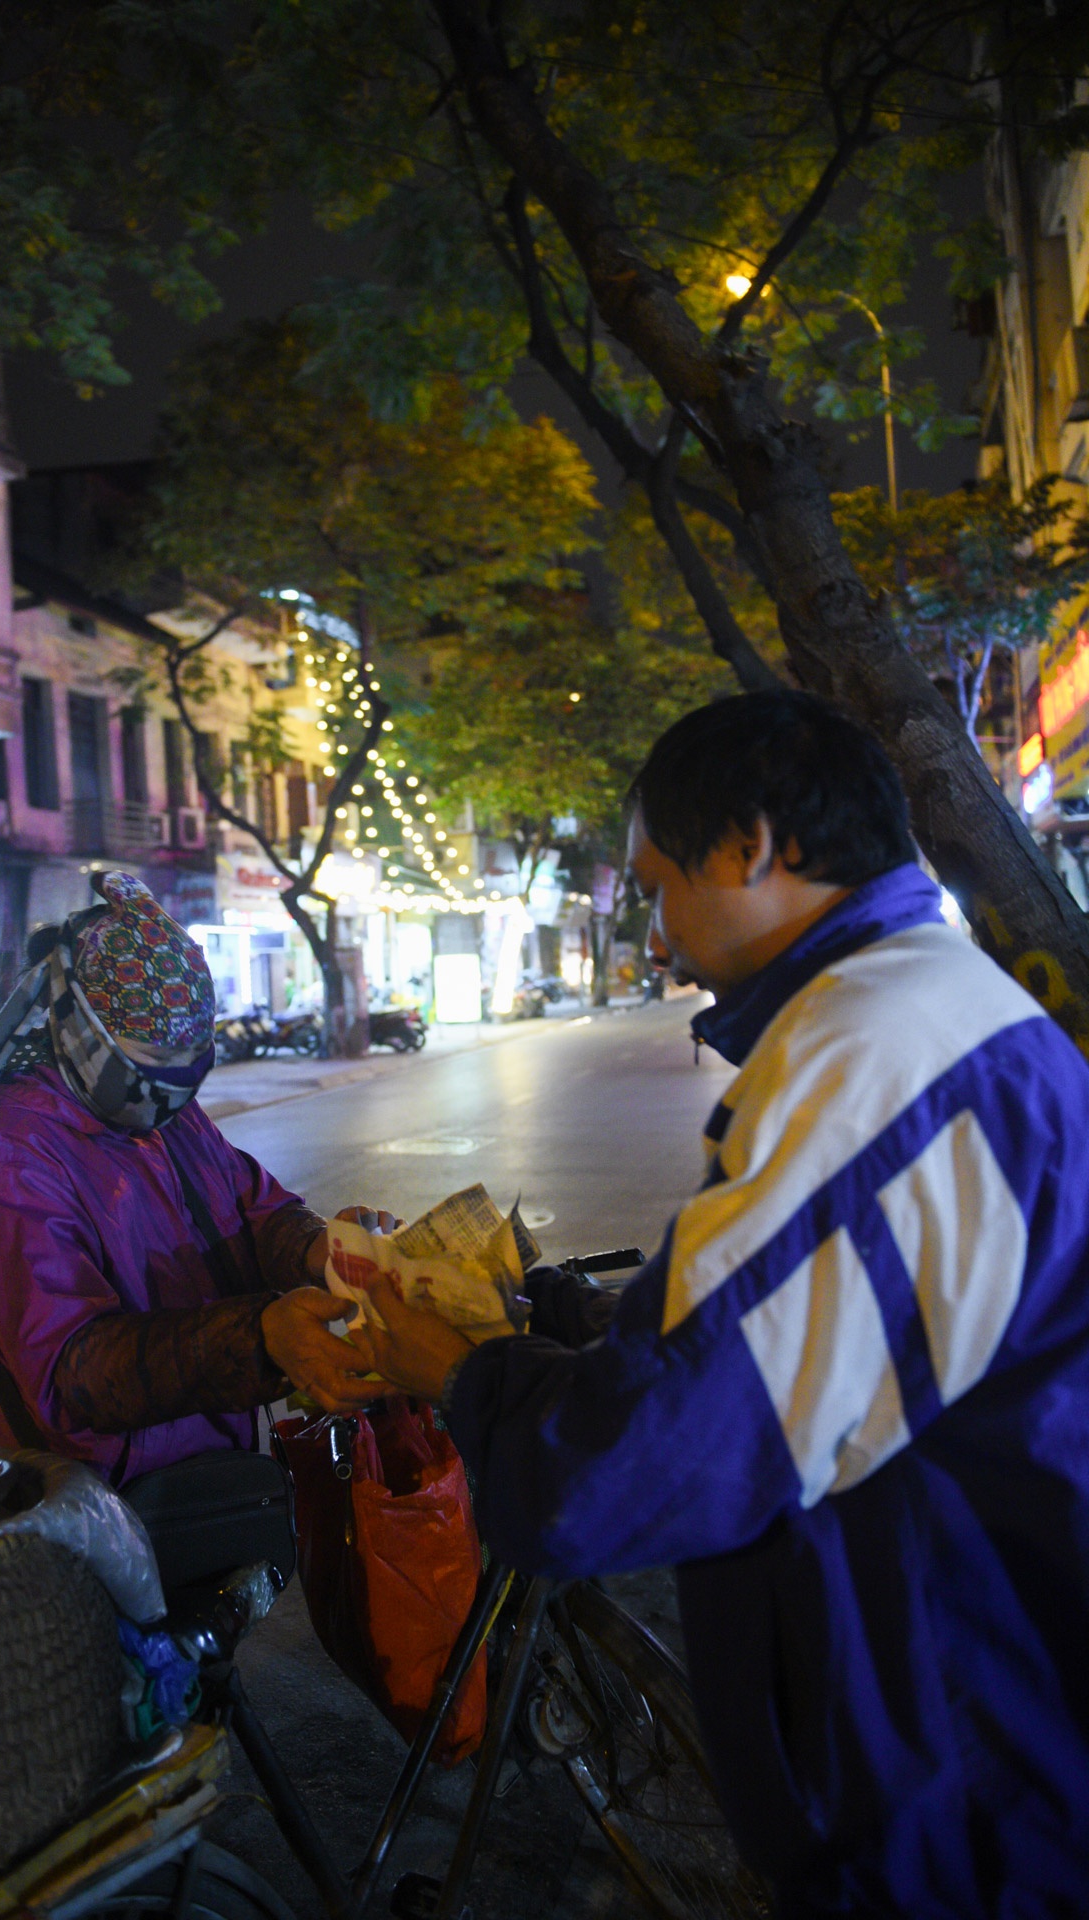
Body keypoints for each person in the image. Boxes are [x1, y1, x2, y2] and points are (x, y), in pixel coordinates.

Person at [353, 690, 1089, 1916]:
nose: (652, 935)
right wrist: (586, 1328)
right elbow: (814, 1330)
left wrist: (465, 1373)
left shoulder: (870, 1061)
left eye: (657, 886)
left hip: (963, 1791)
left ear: (751, 846)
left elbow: (624, 1474)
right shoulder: (929, 1011)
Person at [0, 871, 382, 1483]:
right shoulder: (9, 1156)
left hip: (203, 1480)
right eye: (152, 1064)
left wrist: (324, 1251)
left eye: (190, 1064)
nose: (172, 1090)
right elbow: (72, 1373)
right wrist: (260, 1340)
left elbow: (250, 1208)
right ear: (80, 1029)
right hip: (79, 1507)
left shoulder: (165, 1114)